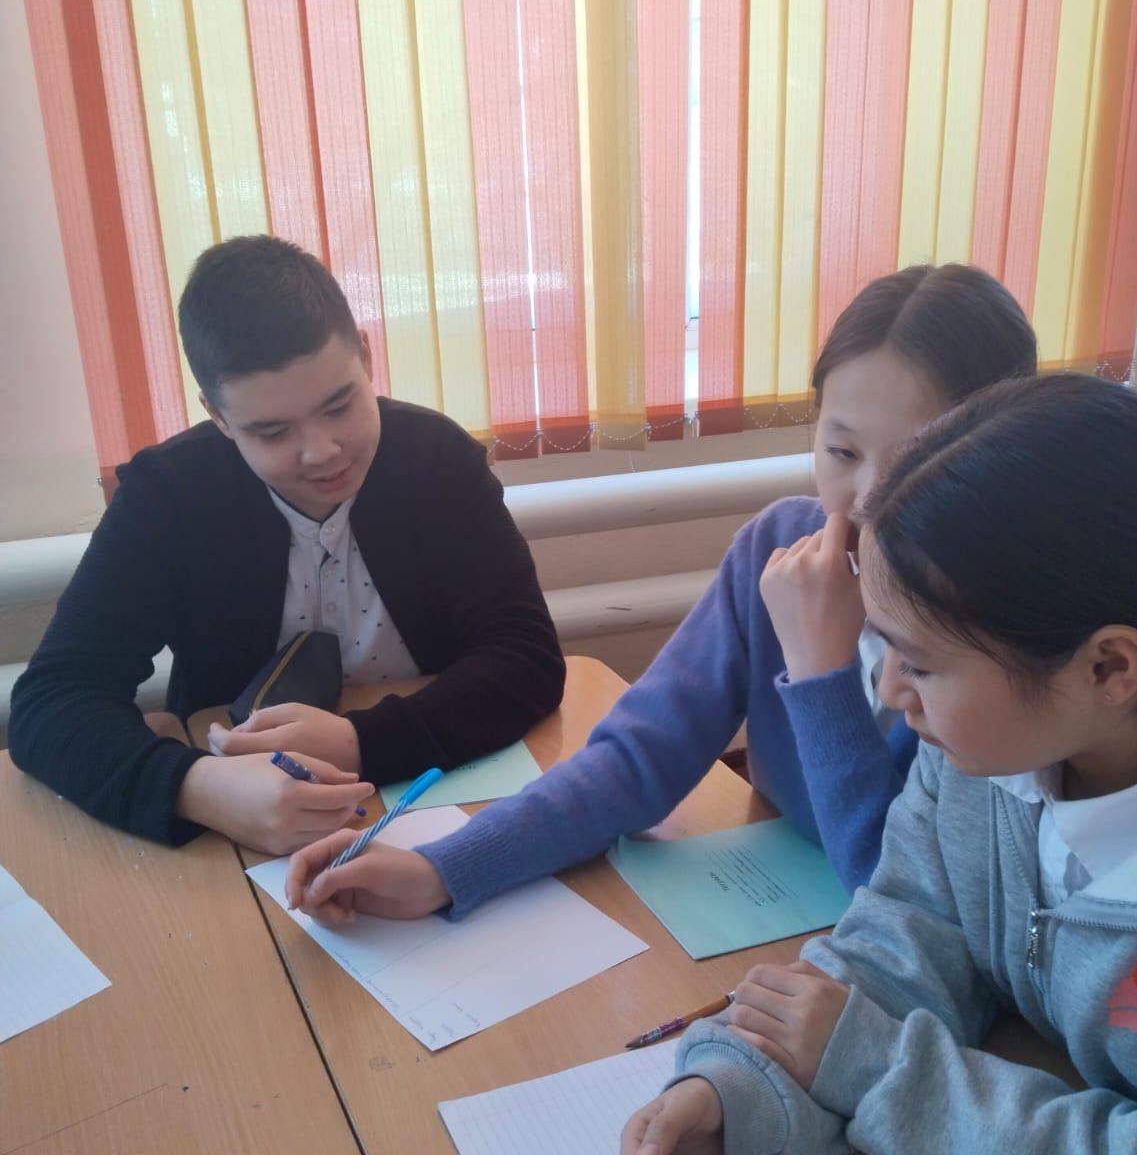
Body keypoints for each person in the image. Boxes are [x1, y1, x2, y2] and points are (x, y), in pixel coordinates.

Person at [616, 374, 1137, 1155]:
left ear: (1109, 667)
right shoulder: (986, 757)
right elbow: (905, 935)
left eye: (920, 663)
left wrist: (885, 1071)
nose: (888, 694)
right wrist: (733, 1095)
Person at [285, 264, 1037, 923]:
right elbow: (640, 756)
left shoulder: (1013, 635)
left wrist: (820, 674)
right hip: (782, 921)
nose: (869, 498)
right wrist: (445, 867)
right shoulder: (778, 549)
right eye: (841, 451)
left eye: (917, 463)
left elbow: (904, 894)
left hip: (896, 963)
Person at [9, 236, 565, 852]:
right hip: (241, 826)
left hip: (433, 789)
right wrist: (195, 787)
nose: (322, 452)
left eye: (340, 406)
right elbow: (51, 700)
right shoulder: (168, 495)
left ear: (365, 356)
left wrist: (360, 742)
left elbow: (526, 656)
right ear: (219, 418)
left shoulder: (438, 461)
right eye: (272, 432)